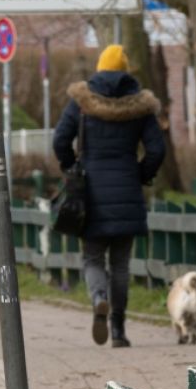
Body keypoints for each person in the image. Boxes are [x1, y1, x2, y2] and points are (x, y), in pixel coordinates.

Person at [52, 44, 166, 347]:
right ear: (126, 71)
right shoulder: (140, 106)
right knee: (120, 265)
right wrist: (142, 173)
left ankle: (99, 298)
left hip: (90, 194)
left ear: (100, 68)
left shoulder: (82, 103)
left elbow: (60, 139)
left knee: (92, 258)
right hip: (127, 189)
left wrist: (71, 165)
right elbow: (157, 149)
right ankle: (117, 330)